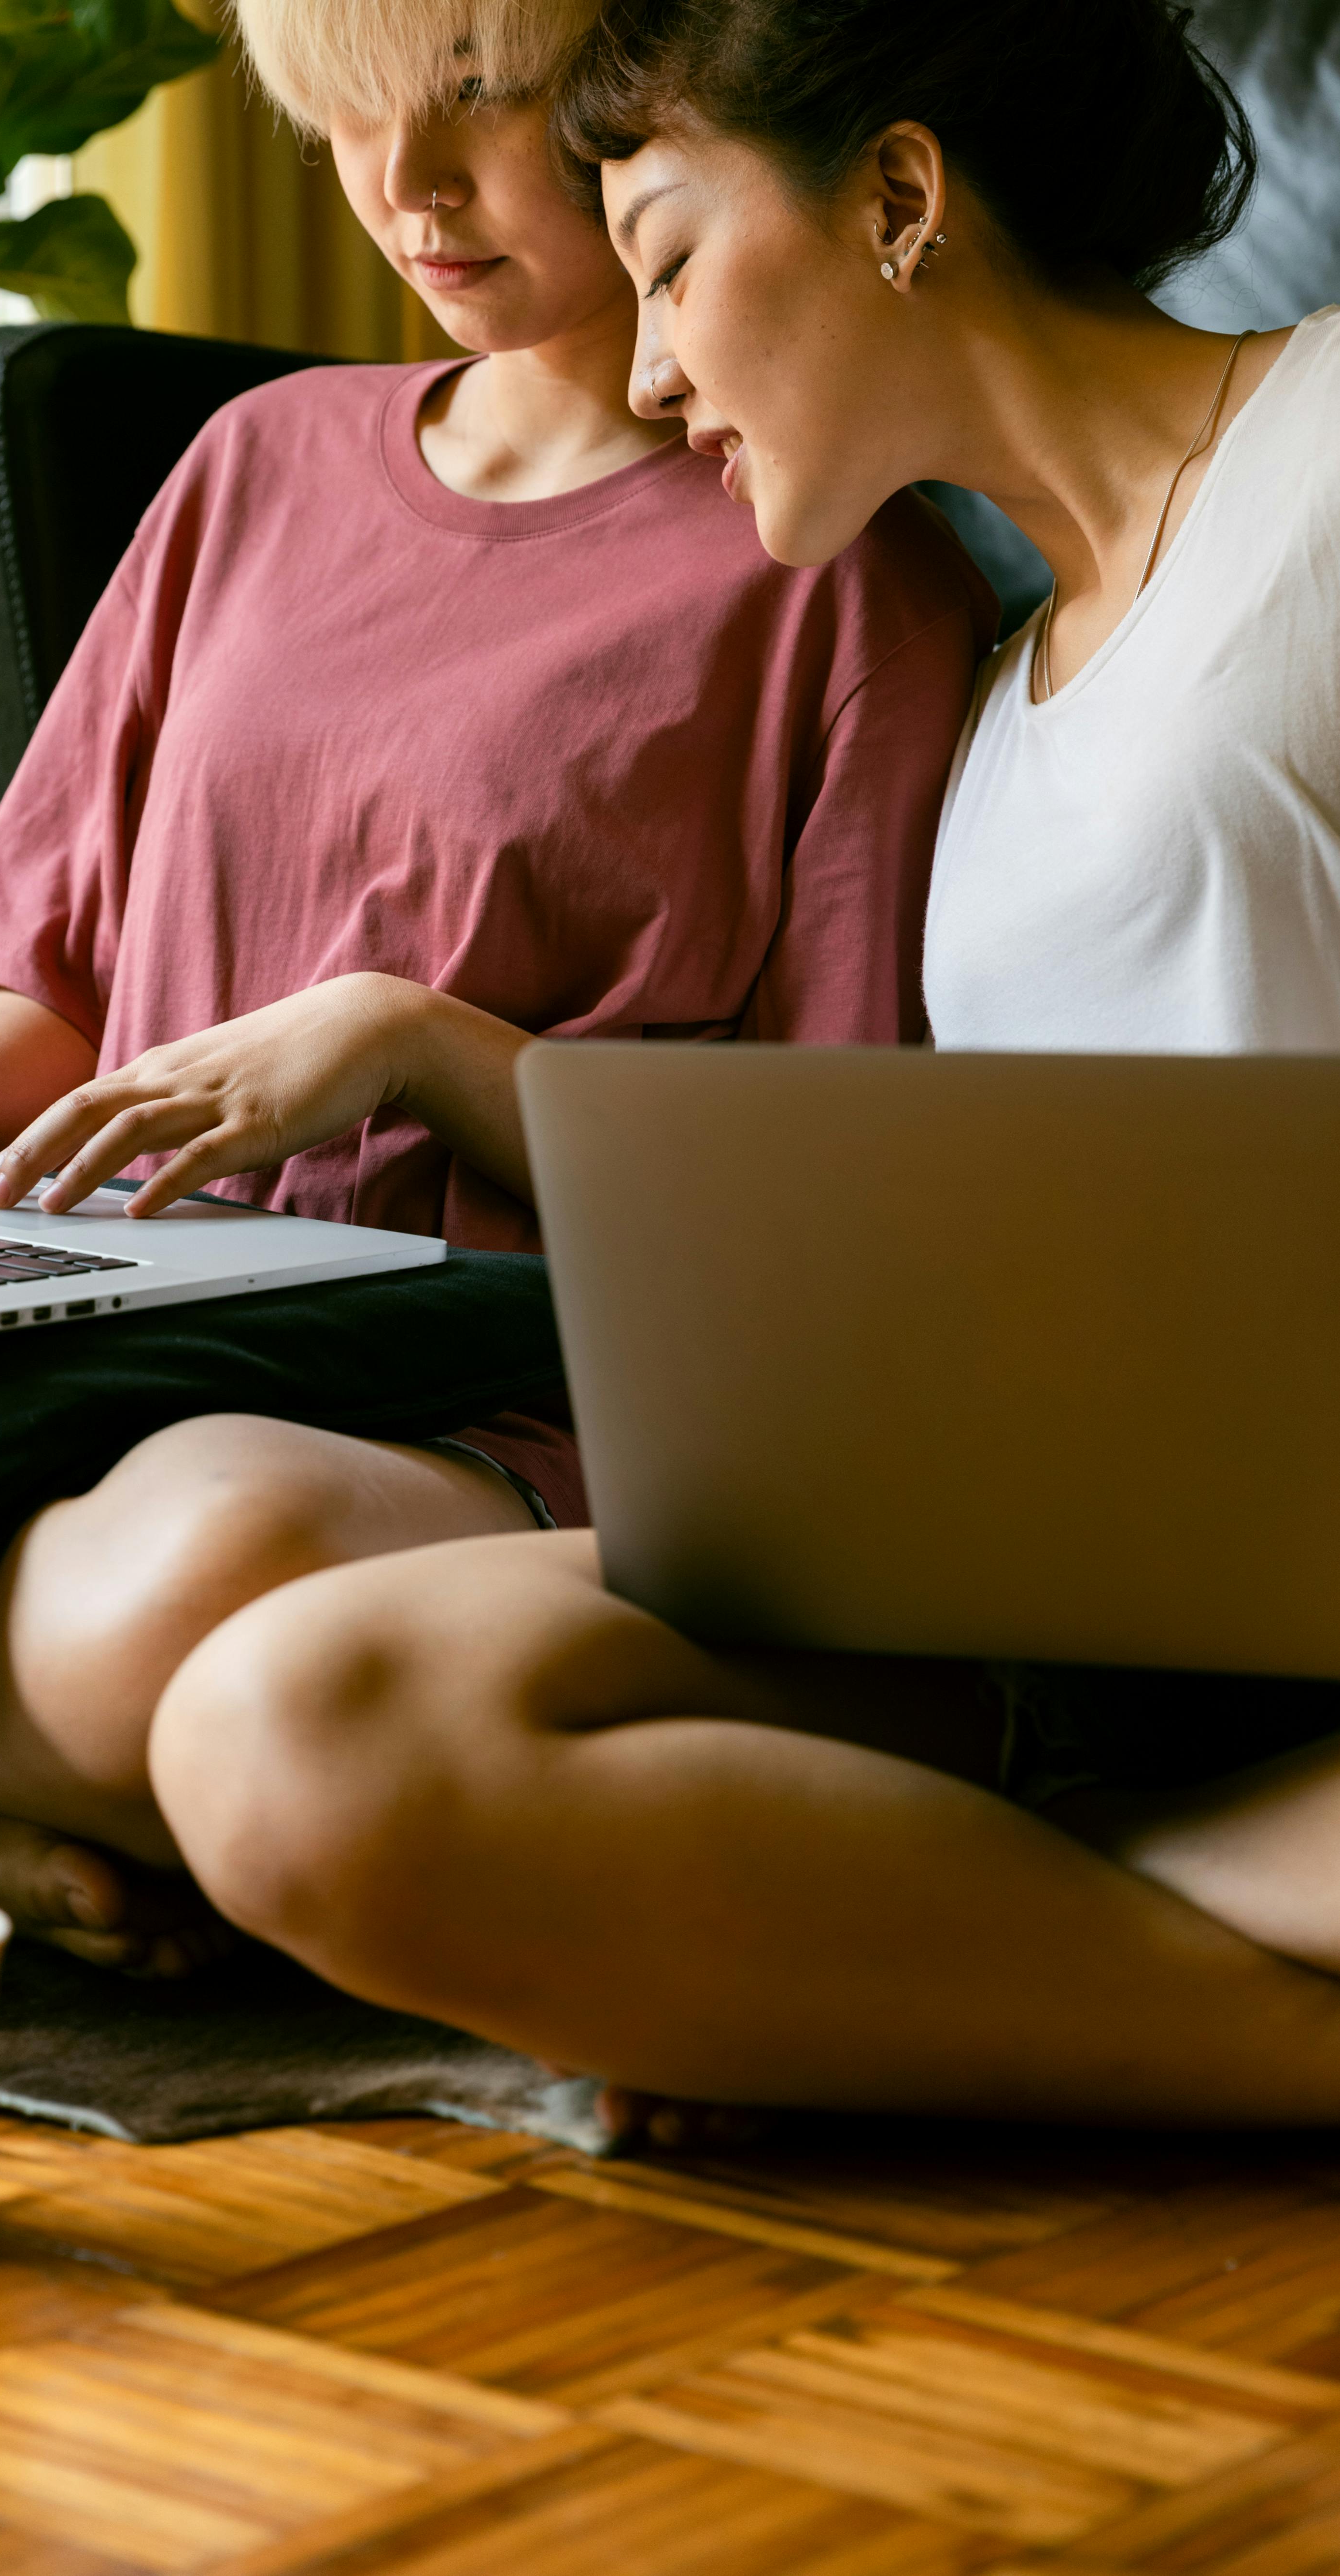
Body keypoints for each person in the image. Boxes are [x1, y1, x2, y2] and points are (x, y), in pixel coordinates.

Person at [0, 0, 989, 1968]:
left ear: (643, 91)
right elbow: (66, 1005)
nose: (406, 190)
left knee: (196, 1570)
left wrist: (414, 1048)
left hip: (493, 1365)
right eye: (349, 118)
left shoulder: (843, 575)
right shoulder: (252, 466)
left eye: (475, 101)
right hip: (105, 1265)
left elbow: (817, 1185)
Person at [138, 0, 1340, 2125]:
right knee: (283, 1725)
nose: (657, 363)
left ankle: (987, 1940)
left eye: (675, 258)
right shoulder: (985, 693)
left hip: (1279, 1604)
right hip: (1047, 1592)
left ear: (897, 202)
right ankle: (1205, 1970)